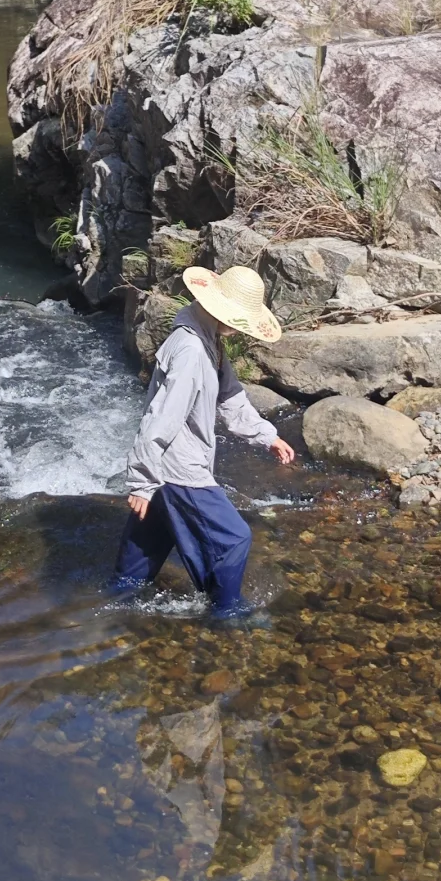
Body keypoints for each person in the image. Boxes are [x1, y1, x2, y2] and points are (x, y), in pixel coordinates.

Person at [108, 263, 295, 620]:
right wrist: (143, 480)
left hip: (166, 467)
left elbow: (231, 398)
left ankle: (106, 614)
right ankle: (226, 615)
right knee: (234, 538)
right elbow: (163, 416)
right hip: (177, 467)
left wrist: (267, 436)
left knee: (140, 558)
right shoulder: (193, 351)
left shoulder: (206, 336)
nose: (240, 328)